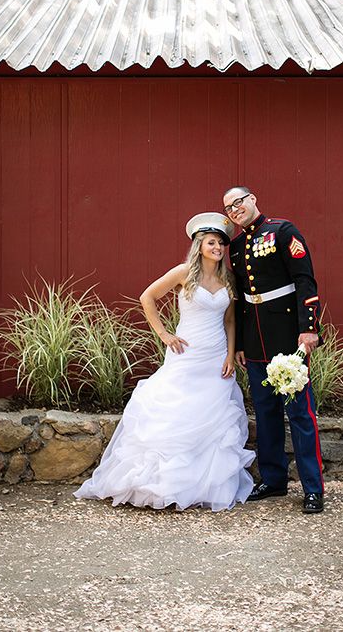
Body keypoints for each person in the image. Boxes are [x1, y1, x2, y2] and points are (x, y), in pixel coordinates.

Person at [75, 213, 255, 511]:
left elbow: (231, 320)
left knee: (211, 415)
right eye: (212, 243)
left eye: (222, 244)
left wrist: (229, 354)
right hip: (186, 353)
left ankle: (202, 485)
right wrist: (164, 334)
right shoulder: (184, 272)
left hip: (215, 356)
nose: (218, 248)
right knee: (177, 409)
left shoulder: (227, 278)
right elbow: (148, 296)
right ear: (199, 245)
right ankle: (163, 482)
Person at [222, 186, 325, 513]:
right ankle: (274, 479)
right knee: (265, 415)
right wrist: (239, 344)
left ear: (252, 199)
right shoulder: (236, 246)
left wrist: (308, 329)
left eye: (238, 202)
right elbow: (240, 298)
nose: (235, 209)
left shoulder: (282, 231)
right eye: (228, 208)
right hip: (255, 342)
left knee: (299, 414)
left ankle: (312, 487)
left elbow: (305, 280)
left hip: (286, 339)